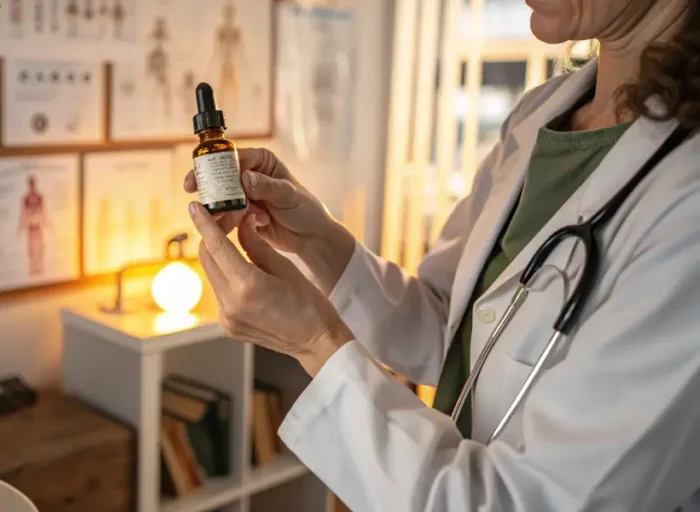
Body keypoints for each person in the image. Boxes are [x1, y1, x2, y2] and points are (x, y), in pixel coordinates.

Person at [183, 0, 700, 509]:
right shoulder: (540, 114)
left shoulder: (686, 202)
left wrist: (314, 341)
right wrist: (313, 238)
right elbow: (451, 330)